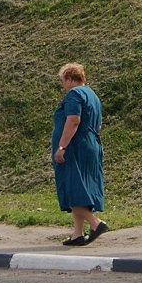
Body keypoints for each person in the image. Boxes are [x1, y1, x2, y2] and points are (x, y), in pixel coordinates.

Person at [51, 62, 108, 246]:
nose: (64, 85)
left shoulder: (74, 94)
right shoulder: (92, 95)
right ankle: (77, 234)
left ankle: (95, 223)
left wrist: (62, 147)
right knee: (81, 188)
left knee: (72, 187)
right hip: (91, 145)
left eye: (63, 81)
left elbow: (74, 120)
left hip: (75, 147)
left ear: (69, 79)